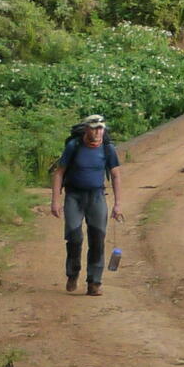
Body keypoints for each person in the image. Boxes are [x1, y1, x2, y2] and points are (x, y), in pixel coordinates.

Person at [50, 114, 122, 295]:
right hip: (74, 196)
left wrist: (118, 204)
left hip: (97, 196)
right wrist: (56, 201)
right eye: (94, 128)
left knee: (97, 239)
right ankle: (73, 273)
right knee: (74, 238)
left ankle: (94, 282)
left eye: (100, 129)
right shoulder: (73, 146)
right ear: (86, 129)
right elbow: (59, 173)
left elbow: (115, 175)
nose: (98, 132)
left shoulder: (108, 149)